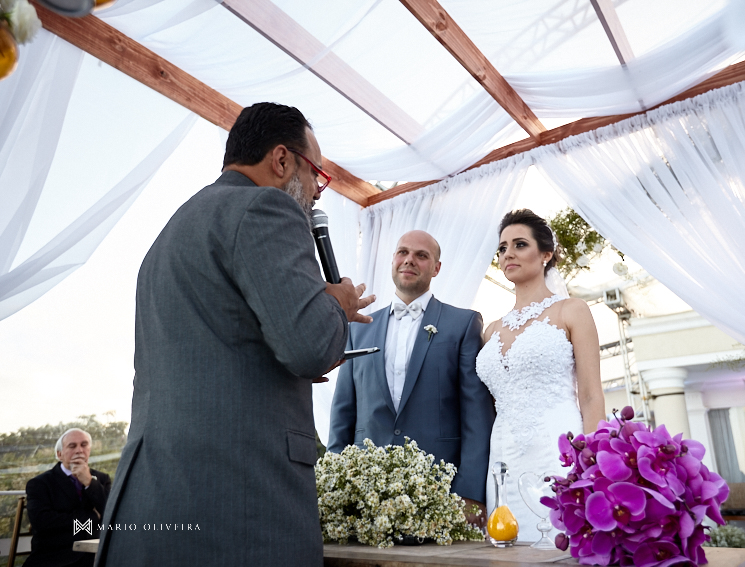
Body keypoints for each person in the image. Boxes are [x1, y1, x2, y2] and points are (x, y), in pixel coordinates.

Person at [96, 103, 374, 567]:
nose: (315, 194)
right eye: (316, 175)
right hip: (236, 504)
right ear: (282, 160)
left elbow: (219, 346)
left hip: (149, 500)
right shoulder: (268, 208)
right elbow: (308, 347)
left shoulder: (171, 233)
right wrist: (336, 305)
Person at [328, 230, 495, 524]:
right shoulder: (358, 328)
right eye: (403, 252)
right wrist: (334, 484)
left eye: (421, 255)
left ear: (436, 267)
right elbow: (343, 412)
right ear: (393, 259)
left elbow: (476, 418)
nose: (409, 260)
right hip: (367, 493)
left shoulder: (463, 324)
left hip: (441, 491)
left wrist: (470, 494)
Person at [476, 209, 605, 542]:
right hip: (501, 457)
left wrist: (594, 464)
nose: (508, 254)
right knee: (506, 547)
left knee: (558, 544)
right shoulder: (490, 330)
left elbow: (591, 395)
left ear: (546, 254)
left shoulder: (571, 310)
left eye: (520, 244)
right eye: (502, 248)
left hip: (556, 449)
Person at [24, 428, 112, 567]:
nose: (79, 450)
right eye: (72, 446)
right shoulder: (40, 483)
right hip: (57, 558)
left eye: (84, 445)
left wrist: (89, 482)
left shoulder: (101, 479)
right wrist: (92, 516)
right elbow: (42, 522)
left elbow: (112, 513)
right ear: (59, 454)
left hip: (97, 556)